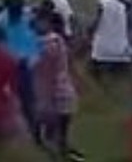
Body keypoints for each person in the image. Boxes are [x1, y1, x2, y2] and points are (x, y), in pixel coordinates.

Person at [0, 0, 41, 143]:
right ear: (7, 4)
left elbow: (39, 39)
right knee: (15, 106)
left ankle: (36, 136)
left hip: (32, 67)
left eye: (19, 2)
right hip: (11, 70)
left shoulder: (30, 16)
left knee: (32, 104)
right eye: (14, 3)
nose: (18, 6)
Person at [34, 10, 83, 160]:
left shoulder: (43, 44)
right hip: (65, 92)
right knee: (60, 132)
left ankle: (58, 154)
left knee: (48, 134)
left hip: (51, 94)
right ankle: (66, 152)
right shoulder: (58, 40)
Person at [89, 0, 132, 81]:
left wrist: (89, 32)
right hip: (122, 51)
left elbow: (95, 22)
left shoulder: (101, 3)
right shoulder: (122, 6)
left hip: (102, 51)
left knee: (93, 80)